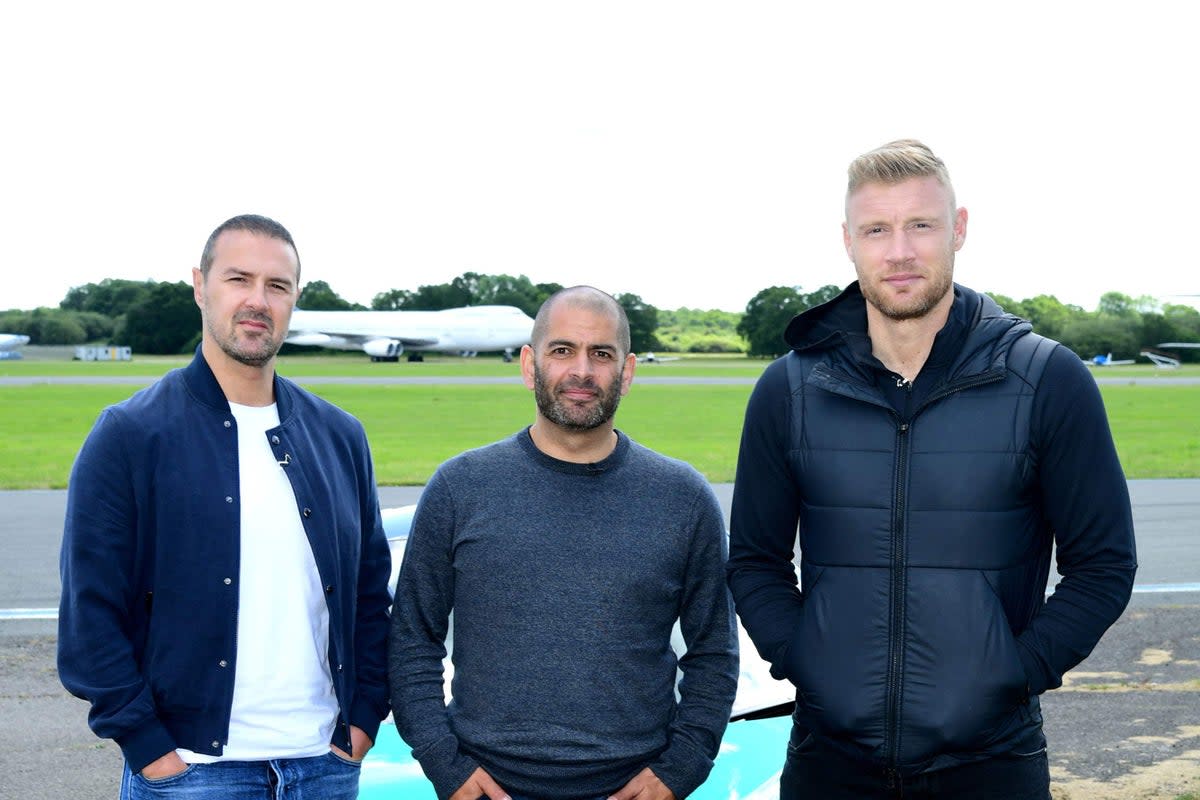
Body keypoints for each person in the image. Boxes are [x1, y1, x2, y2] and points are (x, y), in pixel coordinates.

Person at [726, 140, 1137, 799]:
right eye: (876, 230)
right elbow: (753, 560)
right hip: (828, 764)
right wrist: (809, 660)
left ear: (960, 229)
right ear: (848, 241)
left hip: (992, 765)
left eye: (921, 224)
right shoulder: (789, 390)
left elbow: (1105, 565)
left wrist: (1013, 673)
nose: (899, 251)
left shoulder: (1047, 380)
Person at [58, 214, 393, 799]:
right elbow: (90, 615)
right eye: (238, 279)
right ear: (199, 285)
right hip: (191, 772)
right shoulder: (130, 434)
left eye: (277, 286)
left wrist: (363, 719)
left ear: (294, 300)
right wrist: (150, 748)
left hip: (324, 763)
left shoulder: (341, 436)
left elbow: (369, 595)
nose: (257, 301)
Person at [388, 286, 739, 800]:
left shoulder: (683, 498)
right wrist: (445, 763)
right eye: (562, 351)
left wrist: (679, 769)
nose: (582, 371)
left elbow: (714, 651)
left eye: (602, 354)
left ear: (628, 370)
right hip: (485, 786)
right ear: (529, 365)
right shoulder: (460, 487)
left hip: (633, 785)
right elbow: (412, 638)